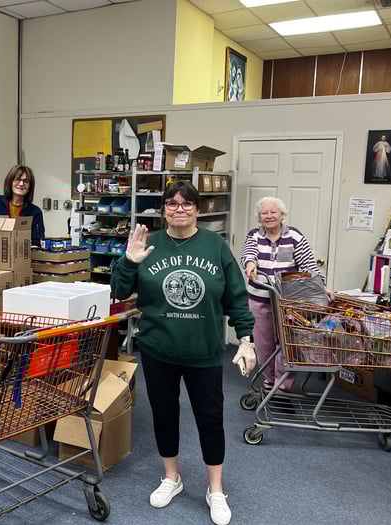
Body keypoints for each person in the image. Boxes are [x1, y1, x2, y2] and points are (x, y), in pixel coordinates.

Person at [111, 181, 256, 525]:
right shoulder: (149, 243)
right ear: (162, 209)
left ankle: (215, 489)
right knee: (164, 414)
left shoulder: (215, 245)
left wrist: (246, 338)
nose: (179, 209)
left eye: (186, 203)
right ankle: (171, 478)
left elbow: (236, 296)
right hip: (158, 349)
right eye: (172, 203)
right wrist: (130, 260)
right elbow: (118, 290)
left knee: (210, 419)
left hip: (203, 351)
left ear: (197, 209)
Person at [240, 196, 327, 392]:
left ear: (282, 215)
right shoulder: (254, 235)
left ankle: (282, 389)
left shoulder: (295, 236)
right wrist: (250, 264)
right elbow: (248, 254)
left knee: (288, 345)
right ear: (259, 217)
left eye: (273, 212)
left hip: (288, 302)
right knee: (264, 345)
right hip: (260, 299)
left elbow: (309, 265)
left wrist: (321, 287)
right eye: (264, 213)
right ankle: (269, 383)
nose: (269, 216)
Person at [0, 165, 45, 245]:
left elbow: (38, 241)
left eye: (26, 181)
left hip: (22, 255)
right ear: (10, 182)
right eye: (17, 179)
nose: (21, 184)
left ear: (29, 188)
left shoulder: (35, 212)